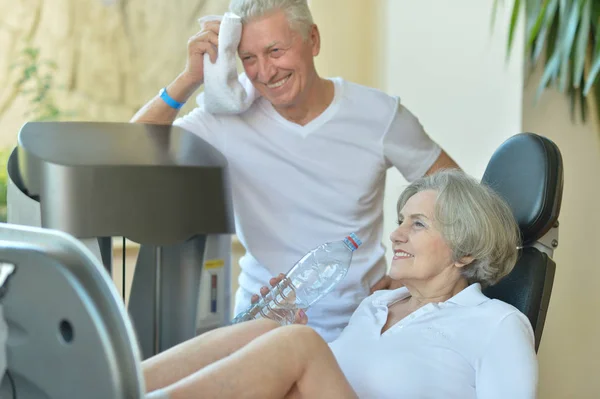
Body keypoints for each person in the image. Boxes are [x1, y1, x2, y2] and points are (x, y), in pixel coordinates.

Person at [131, 0, 459, 342]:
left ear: (313, 40)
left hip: (362, 327)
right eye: (248, 58)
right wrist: (187, 80)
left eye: (275, 50)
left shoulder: (379, 115)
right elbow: (127, 150)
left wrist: (414, 277)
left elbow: (460, 197)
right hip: (262, 324)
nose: (265, 72)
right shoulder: (227, 120)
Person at [142, 169, 538, 399]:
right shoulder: (376, 307)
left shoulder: (498, 325)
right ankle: (113, 384)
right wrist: (276, 340)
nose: (396, 235)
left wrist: (293, 344)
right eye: (400, 220)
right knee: (267, 329)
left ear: (465, 252)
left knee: (299, 343)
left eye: (418, 224)